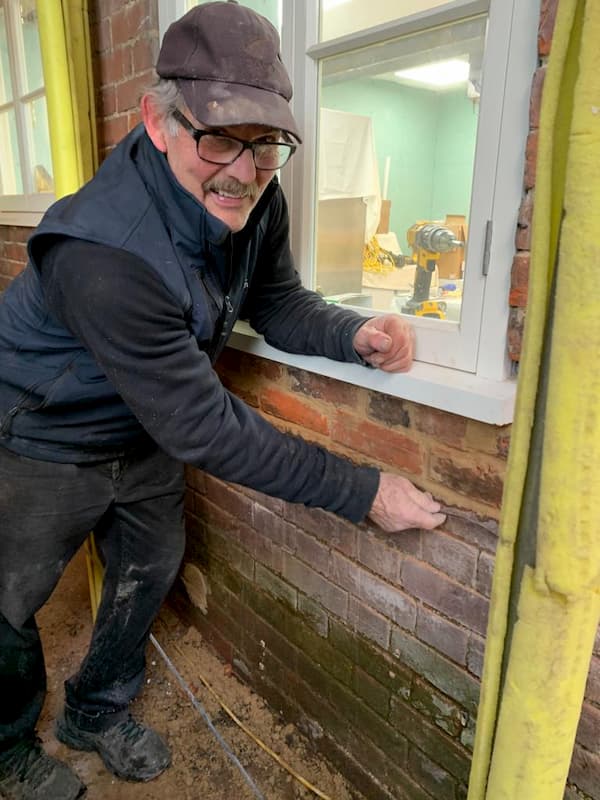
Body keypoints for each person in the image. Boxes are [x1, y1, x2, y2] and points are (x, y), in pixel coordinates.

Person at [0, 2, 445, 798]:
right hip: (42, 427)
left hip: (143, 426)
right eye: (218, 139)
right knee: (11, 594)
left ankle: (95, 711)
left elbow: (273, 302)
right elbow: (207, 425)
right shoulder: (105, 252)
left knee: (151, 561)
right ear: (159, 120)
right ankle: (4, 745)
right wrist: (363, 491)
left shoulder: (253, 195)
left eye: (265, 144)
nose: (243, 169)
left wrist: (354, 335)